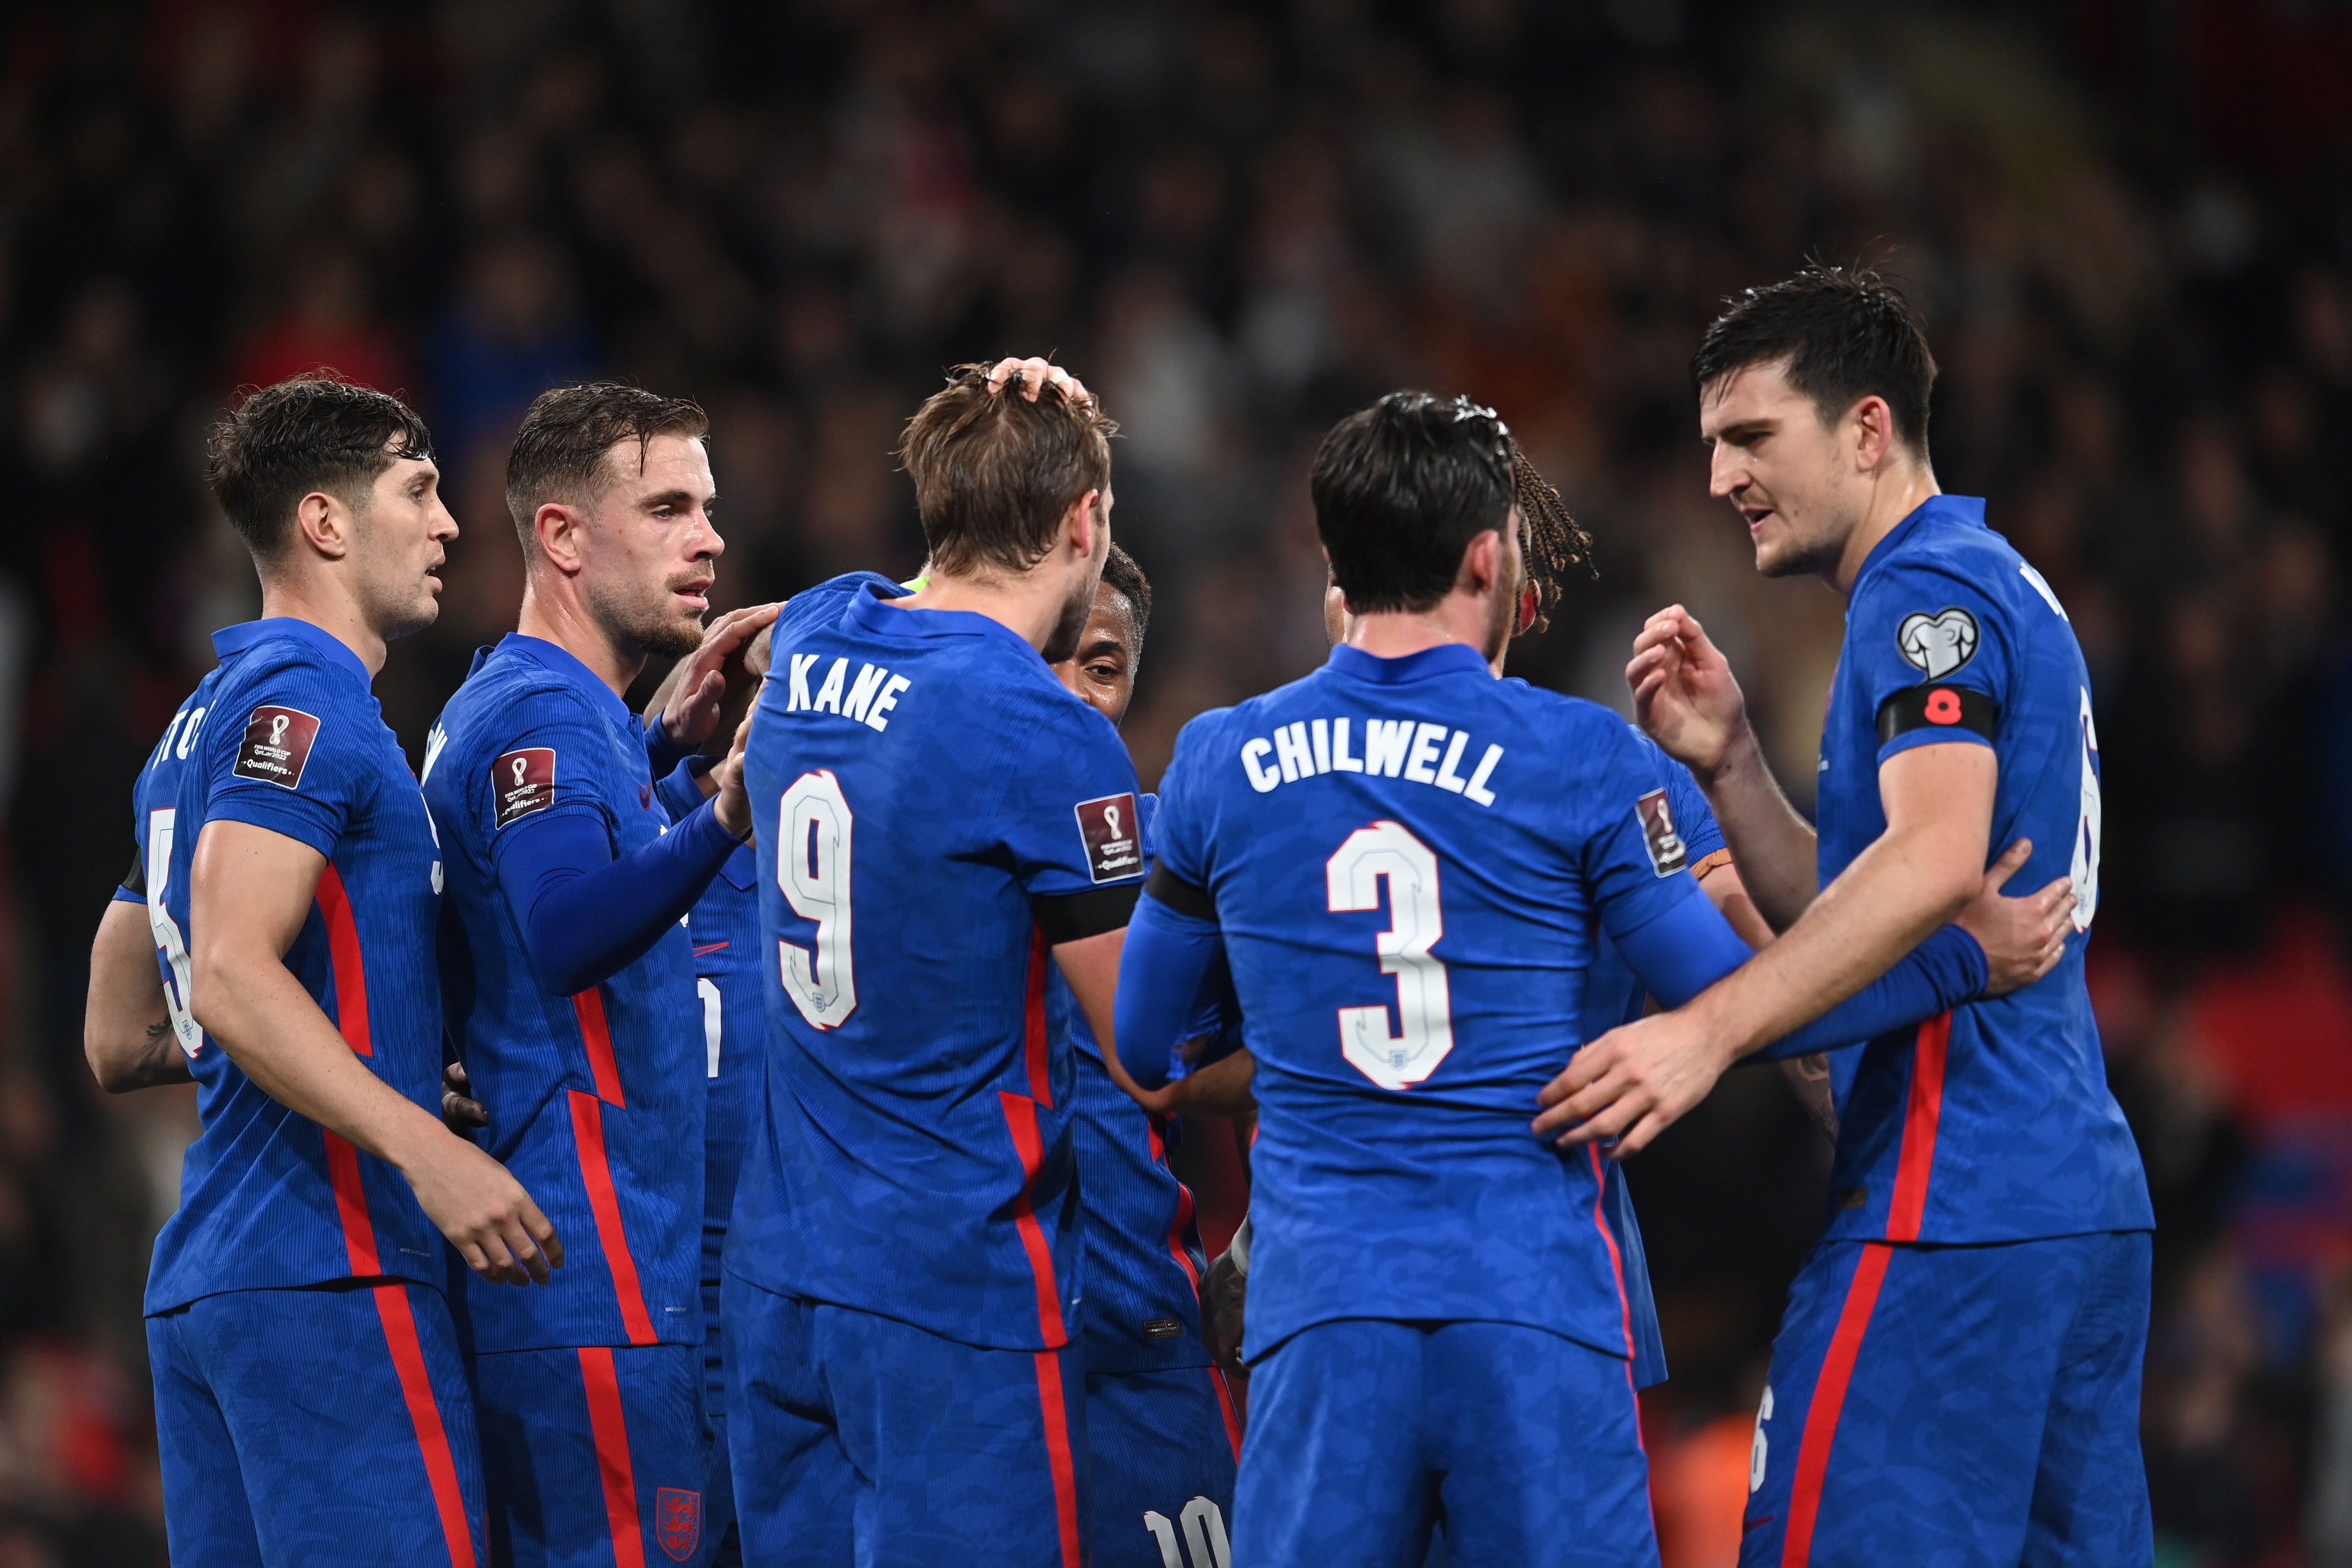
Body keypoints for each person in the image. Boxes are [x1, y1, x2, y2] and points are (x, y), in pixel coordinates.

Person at [1110, 391, 2064, 1566]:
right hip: (1534, 1308)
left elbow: (1149, 1041)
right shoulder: (1583, 755)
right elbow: (1738, 1011)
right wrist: (1962, 956)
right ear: (1486, 557)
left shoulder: (1218, 758)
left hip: (1320, 1310)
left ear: (1336, 564)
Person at [1562, 265, 2154, 1566]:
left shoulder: (1919, 593)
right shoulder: (2001, 582)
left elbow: (1936, 862)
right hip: (2074, 1194)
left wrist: (1708, 1032)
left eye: (1753, 437)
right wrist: (1733, 771)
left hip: (1954, 1193)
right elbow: (1876, 901)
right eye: (1713, 443)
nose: (1721, 477)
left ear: (1869, 430)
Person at [91, 373, 558, 1567]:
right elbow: (238, 979)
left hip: (212, 1286)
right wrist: (423, 1143)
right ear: (326, 523)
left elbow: (123, 1030)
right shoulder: (310, 704)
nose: (451, 523)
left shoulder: (195, 723)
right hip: (330, 1274)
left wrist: (371, 1049)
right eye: (420, 490)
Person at [726, 359, 1139, 1567]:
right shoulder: (1048, 729)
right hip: (950, 1287)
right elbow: (1146, 1048)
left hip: (780, 1279)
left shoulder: (815, 632)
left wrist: (1000, 444)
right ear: (1086, 526)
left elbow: (908, 597)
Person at [423, 381, 773, 1568]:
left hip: (595, 1285)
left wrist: (665, 758)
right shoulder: (544, 717)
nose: (711, 537)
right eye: (669, 506)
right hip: (590, 1281)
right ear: (564, 538)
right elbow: (566, 926)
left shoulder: (561, 715)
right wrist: (726, 813)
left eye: (709, 508)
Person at [1046, 545, 1244, 1567]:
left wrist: (1262, 1239)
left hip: (1145, 1356)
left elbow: (1326, 1048)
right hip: (970, 1350)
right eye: (1051, 657)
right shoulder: (892, 852)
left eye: (1104, 666)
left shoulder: (1181, 862)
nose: (1076, 695)